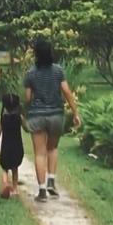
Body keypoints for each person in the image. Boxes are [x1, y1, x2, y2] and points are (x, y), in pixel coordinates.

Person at [24, 39, 80, 203]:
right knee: (53, 148)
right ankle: (51, 182)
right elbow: (67, 92)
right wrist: (75, 112)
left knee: (39, 153)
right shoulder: (58, 71)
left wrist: (32, 101)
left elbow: (27, 98)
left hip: (37, 116)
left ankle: (42, 191)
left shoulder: (31, 73)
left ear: (36, 54)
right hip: (56, 115)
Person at [0, 93, 24, 199]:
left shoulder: (4, 119)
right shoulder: (19, 118)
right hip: (17, 148)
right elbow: (27, 128)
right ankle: (15, 189)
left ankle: (5, 184)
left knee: (5, 168)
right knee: (15, 168)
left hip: (6, 148)